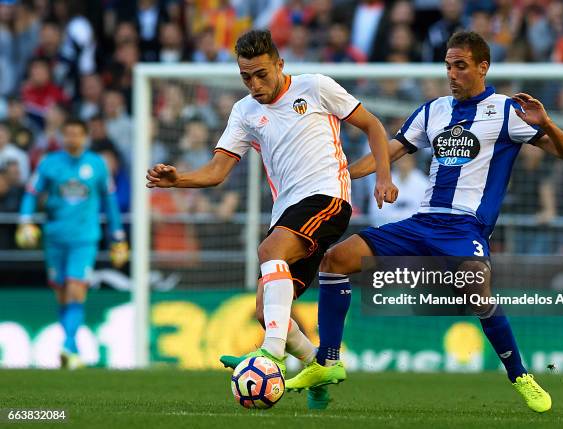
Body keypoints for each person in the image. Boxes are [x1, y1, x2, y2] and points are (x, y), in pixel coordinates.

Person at [286, 31, 563, 413]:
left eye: (461, 66)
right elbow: (388, 151)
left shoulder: (507, 111)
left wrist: (548, 123)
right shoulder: (433, 110)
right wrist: (339, 175)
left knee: (476, 291)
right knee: (335, 260)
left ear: (482, 67)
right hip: (422, 222)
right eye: (448, 66)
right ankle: (327, 361)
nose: (452, 74)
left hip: (465, 228)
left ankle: (519, 375)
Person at [146, 29, 396, 403]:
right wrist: (177, 179)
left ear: (280, 64)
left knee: (269, 251)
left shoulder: (315, 87)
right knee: (266, 308)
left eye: (262, 74)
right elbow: (217, 171)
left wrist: (384, 177)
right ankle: (320, 368)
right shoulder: (244, 112)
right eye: (246, 76)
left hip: (328, 196)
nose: (255, 84)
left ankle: (270, 355)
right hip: (288, 211)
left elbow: (374, 125)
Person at [17, 118, 129, 369]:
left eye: (77, 134)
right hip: (55, 237)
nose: (72, 139)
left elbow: (110, 202)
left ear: (85, 137)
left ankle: (67, 346)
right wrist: (25, 220)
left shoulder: (97, 165)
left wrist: (118, 237)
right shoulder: (49, 163)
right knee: (62, 295)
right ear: (61, 136)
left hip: (84, 239)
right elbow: (31, 193)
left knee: (76, 289)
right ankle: (73, 350)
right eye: (68, 134)